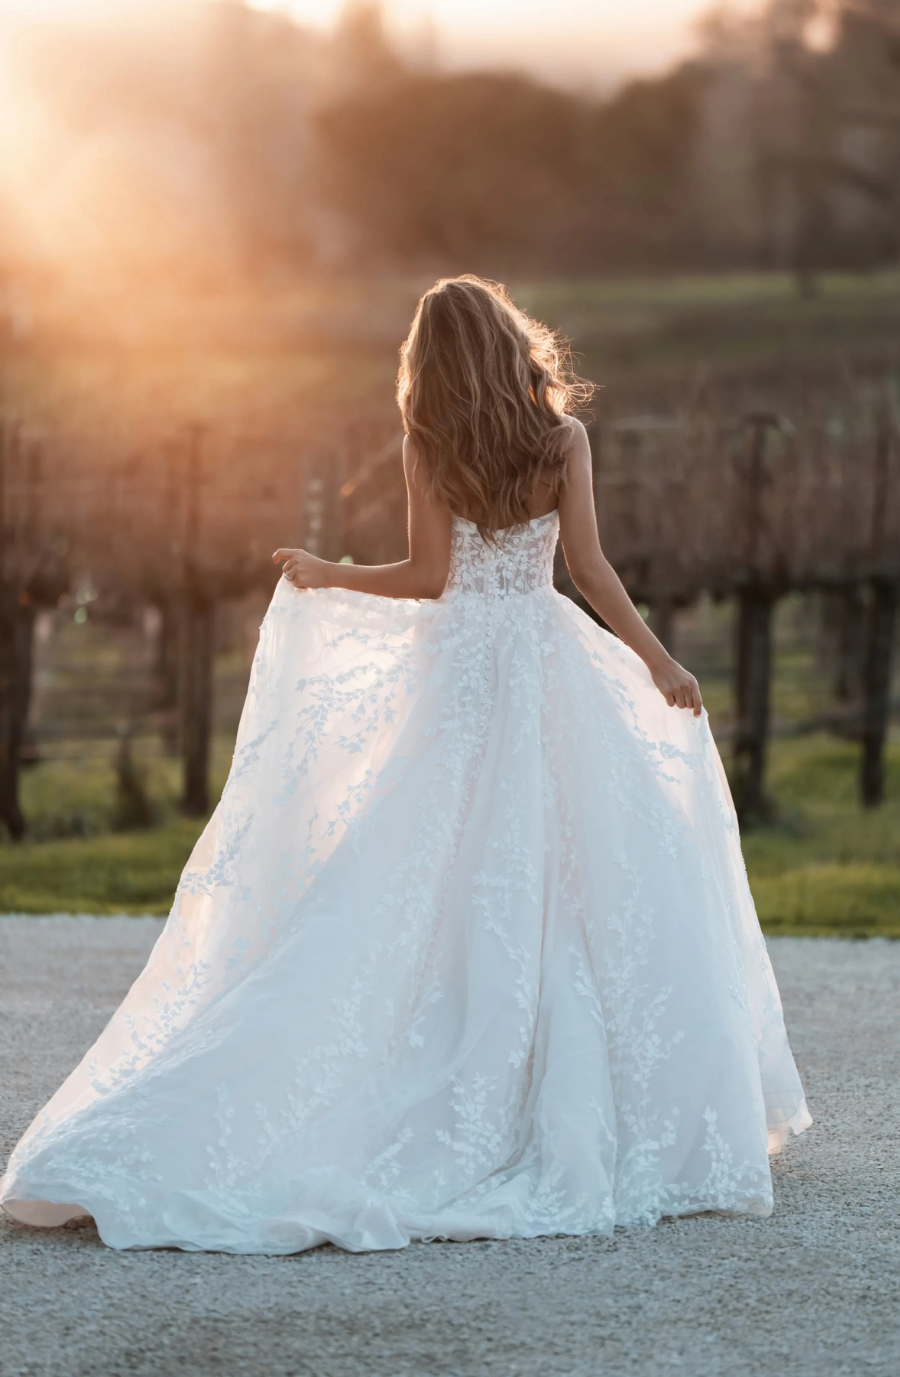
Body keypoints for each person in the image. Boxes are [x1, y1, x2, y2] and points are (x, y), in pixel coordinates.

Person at [0, 276, 810, 1254]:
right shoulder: (563, 442)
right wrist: (660, 661)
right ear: (511, 345)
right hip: (545, 661)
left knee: (421, 870)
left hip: (462, 673)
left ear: (429, 365)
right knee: (577, 872)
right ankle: (566, 1099)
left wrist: (332, 573)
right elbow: (590, 572)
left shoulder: (430, 447)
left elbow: (429, 581)